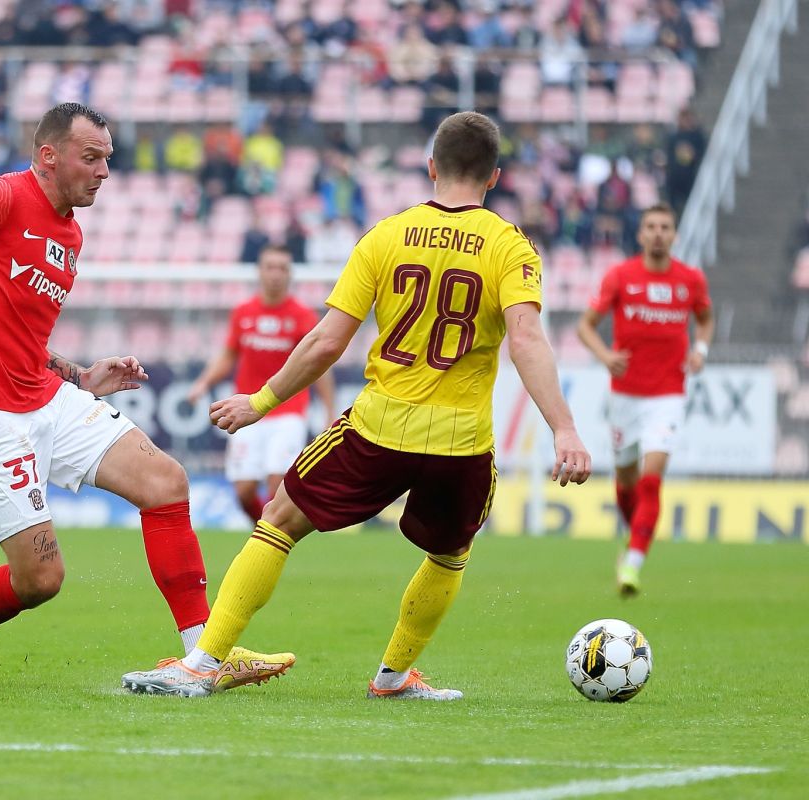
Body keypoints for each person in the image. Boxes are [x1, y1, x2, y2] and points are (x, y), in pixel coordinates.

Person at [121, 111, 592, 698]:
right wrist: (564, 428)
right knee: (450, 553)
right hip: (462, 440)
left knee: (279, 520)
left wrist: (261, 400)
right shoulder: (511, 246)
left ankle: (202, 663)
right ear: (495, 176)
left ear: (431, 167)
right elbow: (526, 340)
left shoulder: (386, 235)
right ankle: (392, 676)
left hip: (379, 426)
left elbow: (327, 340)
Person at [0, 102, 294, 688]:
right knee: (40, 580)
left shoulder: (70, 233)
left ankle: (202, 655)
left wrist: (82, 375)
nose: (103, 172)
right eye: (91, 158)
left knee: (166, 481)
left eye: (108, 159)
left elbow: (20, 341)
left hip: (45, 397)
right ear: (49, 156)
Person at [576, 202, 713, 597]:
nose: (657, 233)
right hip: (625, 396)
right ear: (640, 234)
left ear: (674, 235)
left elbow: (705, 318)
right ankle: (634, 535)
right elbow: (586, 326)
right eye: (651, 226)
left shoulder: (690, 279)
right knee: (626, 482)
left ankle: (633, 564)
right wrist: (605, 356)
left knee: (651, 481)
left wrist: (700, 350)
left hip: (667, 395)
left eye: (664, 227)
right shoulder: (622, 276)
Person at [187, 244, 335, 524]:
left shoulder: (303, 316)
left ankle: (270, 538)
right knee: (243, 492)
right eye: (270, 267)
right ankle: (265, 532)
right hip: (246, 407)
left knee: (277, 486)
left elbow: (318, 366)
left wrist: (329, 411)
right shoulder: (244, 312)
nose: (276, 274)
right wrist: (203, 383)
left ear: (290, 274)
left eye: (282, 268)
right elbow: (229, 354)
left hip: (288, 411)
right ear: (259, 271)